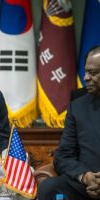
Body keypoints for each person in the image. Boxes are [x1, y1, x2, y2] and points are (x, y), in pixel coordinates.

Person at [37, 46, 100, 200]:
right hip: (86, 184)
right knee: (49, 187)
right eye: (86, 72)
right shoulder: (77, 106)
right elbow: (63, 156)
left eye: (92, 73)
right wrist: (85, 176)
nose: (85, 78)